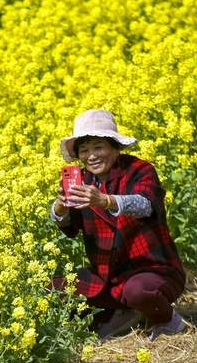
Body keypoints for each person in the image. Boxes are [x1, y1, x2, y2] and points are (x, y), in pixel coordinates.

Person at [50, 109, 187, 341]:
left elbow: (146, 204)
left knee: (138, 291)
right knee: (53, 289)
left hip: (151, 270)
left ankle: (167, 321)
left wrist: (106, 200)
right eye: (84, 150)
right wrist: (61, 208)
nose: (91, 156)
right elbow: (70, 229)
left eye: (98, 147)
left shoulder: (140, 170)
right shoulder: (81, 181)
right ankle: (125, 313)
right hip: (106, 279)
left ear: (115, 147)